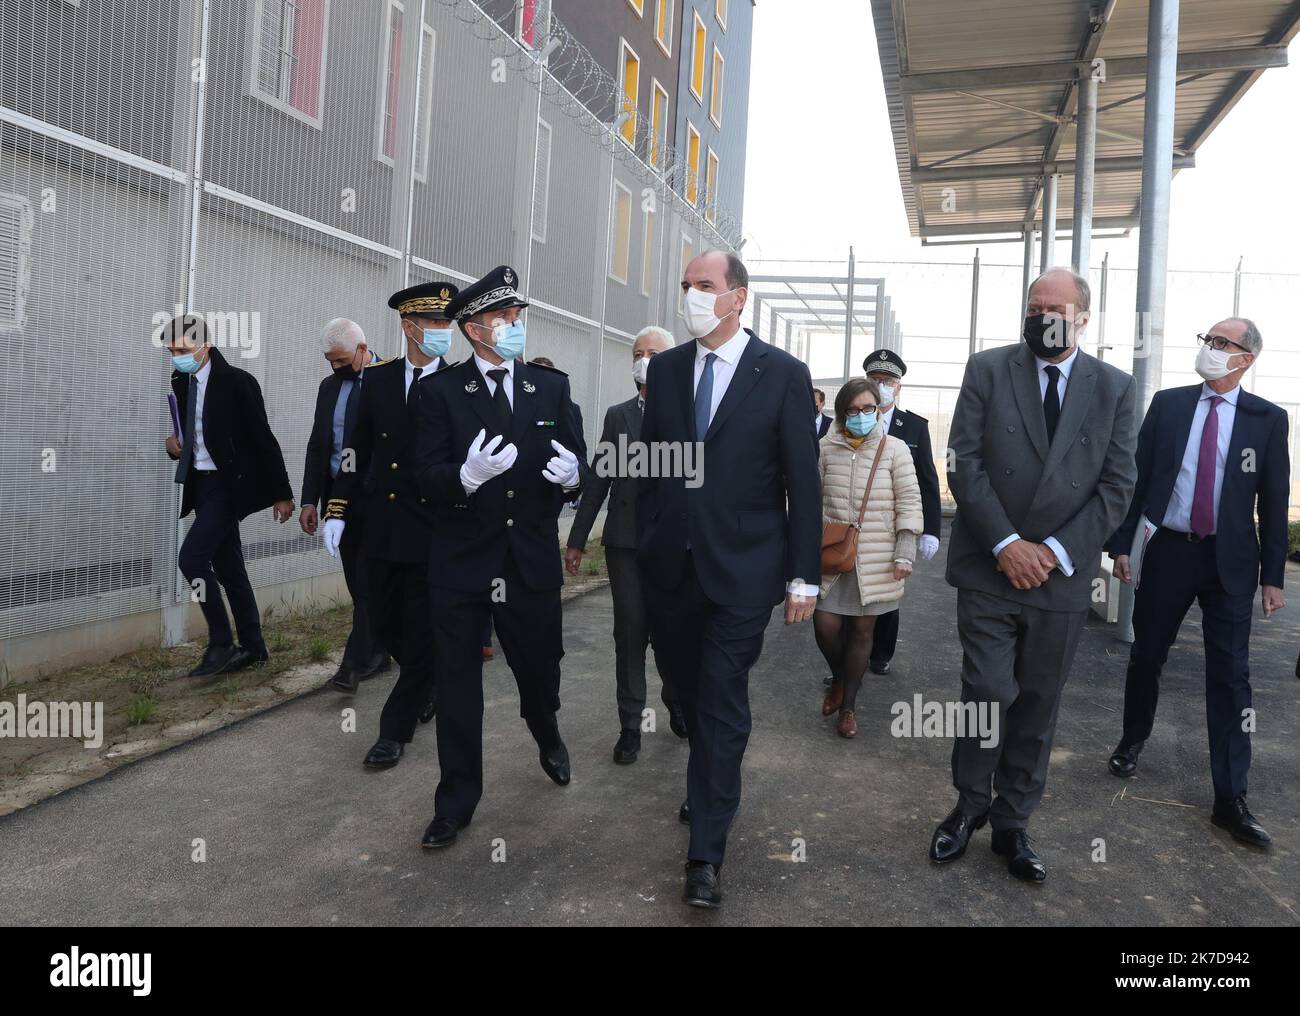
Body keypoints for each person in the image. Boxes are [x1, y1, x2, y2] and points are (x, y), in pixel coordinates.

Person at [932, 268, 1137, 883]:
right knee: (990, 692)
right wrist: (1006, 544)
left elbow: (1117, 485)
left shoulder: (1115, 389)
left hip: (1061, 575)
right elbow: (963, 462)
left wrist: (1048, 551)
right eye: (1034, 305)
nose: (1042, 315)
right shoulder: (989, 369)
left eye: (1056, 308)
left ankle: (1013, 822)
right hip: (990, 567)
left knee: (1039, 705)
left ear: (1082, 318)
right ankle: (968, 806)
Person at [638, 250, 821, 908]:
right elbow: (655, 465)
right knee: (685, 694)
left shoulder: (783, 376)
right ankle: (704, 785)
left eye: (704, 285)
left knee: (720, 699)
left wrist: (804, 577)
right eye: (686, 284)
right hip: (672, 569)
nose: (691, 294)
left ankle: (705, 854)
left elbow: (804, 482)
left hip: (745, 571)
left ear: (737, 297)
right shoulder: (663, 371)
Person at [414, 265, 587, 850]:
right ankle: (456, 801)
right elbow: (424, 477)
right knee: (457, 682)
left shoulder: (552, 388)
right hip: (462, 561)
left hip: (527, 562)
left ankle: (546, 730)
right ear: (471, 329)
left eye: (517, 318)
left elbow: (574, 465)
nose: (514, 327)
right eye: (501, 318)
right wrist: (463, 478)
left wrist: (572, 480)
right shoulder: (438, 393)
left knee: (539, 670)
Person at [1104, 318, 1288, 848]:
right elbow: (1136, 478)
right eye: (1207, 340)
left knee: (1231, 677)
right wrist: (1121, 545)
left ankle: (1229, 797)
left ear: (1245, 358)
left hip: (1230, 563)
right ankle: (1133, 738)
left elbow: (1273, 505)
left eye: (1221, 343)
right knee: (1147, 654)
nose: (1209, 348)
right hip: (1168, 554)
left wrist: (1271, 578)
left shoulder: (1266, 420)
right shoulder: (1170, 404)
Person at [321, 282, 459, 768]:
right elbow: (356, 449)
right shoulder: (377, 380)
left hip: (431, 528)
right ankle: (431, 677)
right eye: (436, 322)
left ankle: (392, 732)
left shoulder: (459, 383)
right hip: (379, 522)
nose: (445, 331)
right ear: (409, 326)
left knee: (420, 629)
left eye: (448, 322)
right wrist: (337, 508)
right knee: (379, 619)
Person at [566, 326, 686, 765]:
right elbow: (601, 477)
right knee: (631, 629)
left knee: (672, 633)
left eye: (654, 352)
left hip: (674, 545)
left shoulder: (691, 410)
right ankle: (630, 725)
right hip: (627, 544)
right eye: (638, 353)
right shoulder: (619, 416)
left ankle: (677, 703)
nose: (645, 359)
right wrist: (577, 539)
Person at [163, 314, 294, 677]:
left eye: (184, 349)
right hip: (201, 485)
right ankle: (254, 647)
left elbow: (263, 440)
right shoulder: (182, 381)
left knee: (191, 559)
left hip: (228, 486)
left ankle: (221, 642)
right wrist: (175, 448)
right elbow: (192, 436)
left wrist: (281, 493)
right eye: (171, 350)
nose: (177, 355)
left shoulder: (238, 383)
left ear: (205, 346)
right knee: (229, 568)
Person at [815, 378, 923, 738]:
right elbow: (809, 501)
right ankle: (841, 680)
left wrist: (904, 553)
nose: (861, 416)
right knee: (825, 625)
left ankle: (848, 708)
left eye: (868, 409)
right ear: (841, 412)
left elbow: (909, 501)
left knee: (863, 632)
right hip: (833, 555)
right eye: (853, 410)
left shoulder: (895, 449)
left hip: (877, 558)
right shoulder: (825, 448)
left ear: (878, 409)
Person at [301, 319, 389, 692]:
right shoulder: (328, 388)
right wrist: (309, 499)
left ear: (362, 349)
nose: (335, 368)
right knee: (357, 581)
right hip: (338, 498)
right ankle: (380, 651)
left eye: (340, 360)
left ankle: (351, 666)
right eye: (329, 361)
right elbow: (318, 445)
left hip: (378, 499)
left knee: (369, 581)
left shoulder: (389, 380)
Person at [861, 349, 943, 676]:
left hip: (895, 525)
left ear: (898, 387)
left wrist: (932, 530)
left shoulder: (912, 426)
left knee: (887, 591)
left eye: (888, 381)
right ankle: (848, 660)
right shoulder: (853, 418)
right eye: (875, 379)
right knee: (851, 592)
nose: (881, 385)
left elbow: (927, 480)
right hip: (858, 522)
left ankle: (880, 653)